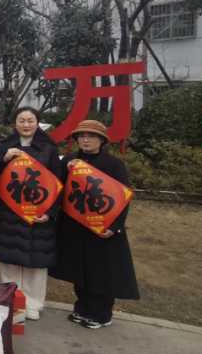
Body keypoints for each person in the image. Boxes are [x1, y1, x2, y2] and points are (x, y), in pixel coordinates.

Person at [51, 119, 139, 329]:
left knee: (101, 272)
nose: (86, 140)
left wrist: (114, 226)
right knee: (79, 270)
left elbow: (123, 196)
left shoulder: (113, 164)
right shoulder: (69, 161)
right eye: (81, 136)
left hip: (101, 227)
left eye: (91, 136)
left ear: (101, 140)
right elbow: (57, 186)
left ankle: (101, 313)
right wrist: (66, 169)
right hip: (74, 226)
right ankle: (82, 308)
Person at [0, 107, 62, 321]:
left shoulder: (48, 148)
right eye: (22, 120)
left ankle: (33, 303)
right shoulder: (5, 145)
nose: (26, 124)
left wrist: (50, 212)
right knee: (9, 258)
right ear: (15, 123)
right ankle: (11, 300)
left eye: (30, 120)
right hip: (9, 211)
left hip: (38, 213)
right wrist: (4, 158)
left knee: (35, 262)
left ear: (37, 123)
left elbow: (58, 182)